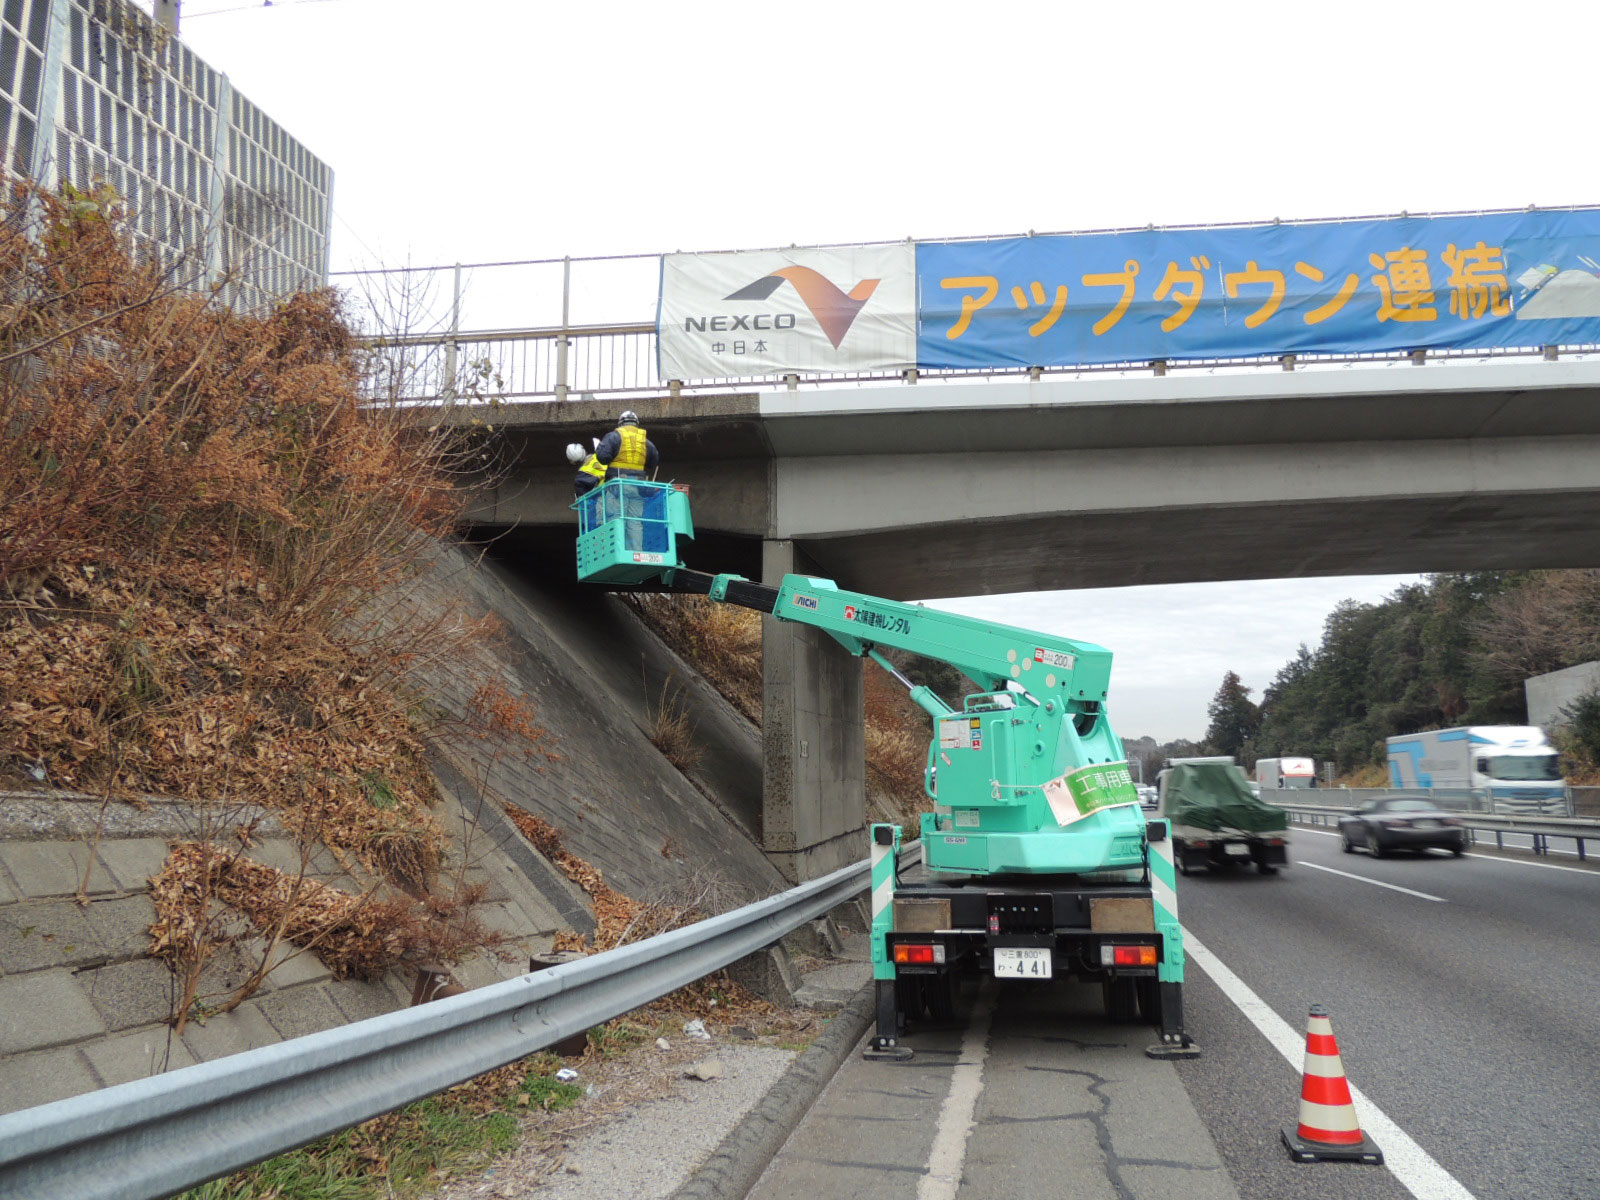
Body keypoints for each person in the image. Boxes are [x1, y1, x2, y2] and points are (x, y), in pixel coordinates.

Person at [594, 410, 658, 481]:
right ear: (637, 424)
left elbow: (602, 457)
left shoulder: (614, 437)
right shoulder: (645, 442)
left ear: (620, 424)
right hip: (639, 483)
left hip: (617, 483)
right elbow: (653, 463)